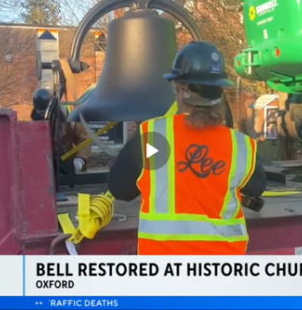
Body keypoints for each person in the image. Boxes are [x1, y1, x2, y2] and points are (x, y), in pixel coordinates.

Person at [107, 41, 266, 255]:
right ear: (220, 92)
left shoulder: (154, 138)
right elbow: (257, 188)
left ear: (181, 89)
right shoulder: (239, 146)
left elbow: (119, 189)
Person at [30, 88, 91, 172]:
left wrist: (80, 159)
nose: (44, 115)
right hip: (45, 167)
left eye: (46, 112)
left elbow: (84, 138)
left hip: (67, 164)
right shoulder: (34, 122)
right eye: (41, 112)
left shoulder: (69, 115)